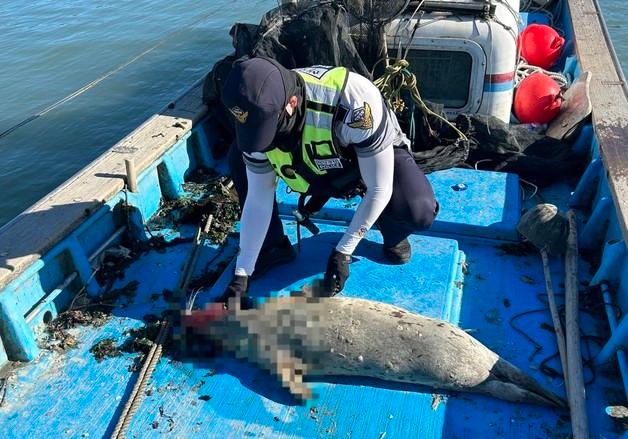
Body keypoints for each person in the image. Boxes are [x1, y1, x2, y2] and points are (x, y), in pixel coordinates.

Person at [220, 57, 438, 298]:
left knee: (418, 210)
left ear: (292, 103)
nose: (263, 141)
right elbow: (258, 198)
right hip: (311, 166)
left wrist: (343, 251)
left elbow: (379, 187)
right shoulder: (255, 114)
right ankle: (271, 247)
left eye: (268, 128)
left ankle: (393, 231)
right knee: (238, 157)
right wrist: (243, 272)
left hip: (364, 160)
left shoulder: (355, 102)